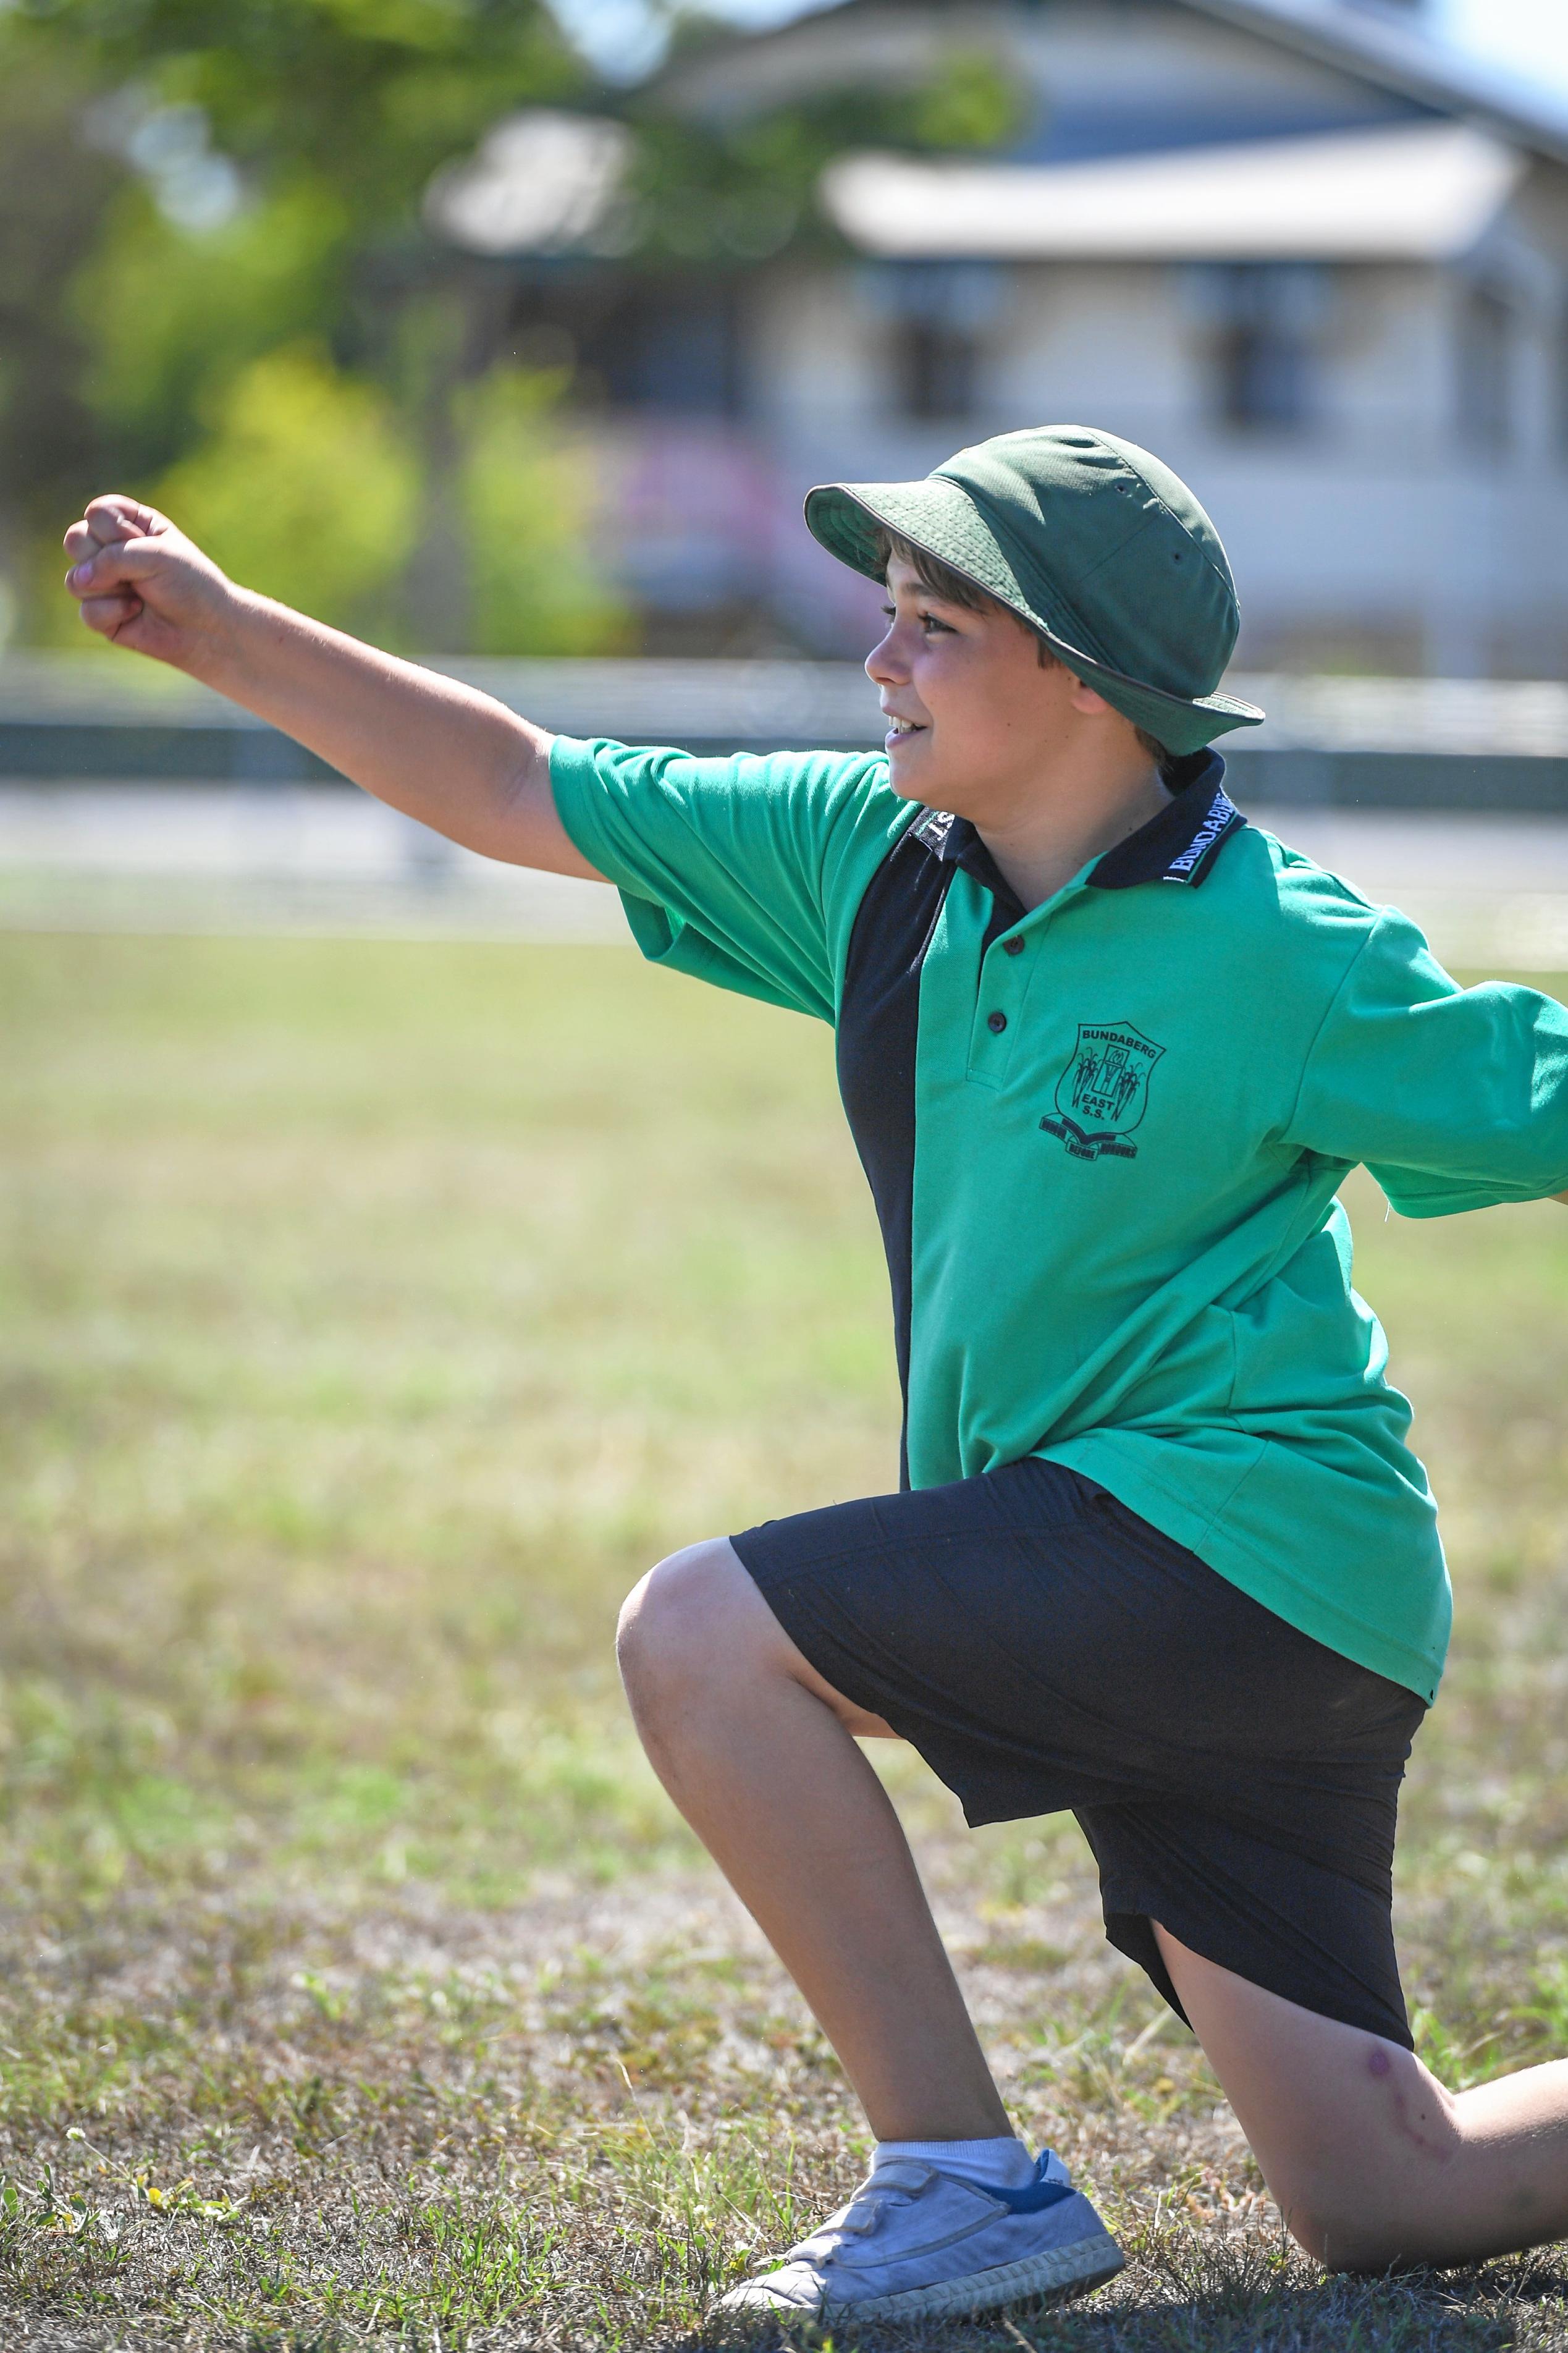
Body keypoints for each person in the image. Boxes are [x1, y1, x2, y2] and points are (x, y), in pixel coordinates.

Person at [63, 425, 1568, 2328]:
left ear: (1089, 680)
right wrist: (220, 632)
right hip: (1200, 1593)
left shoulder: (1284, 950)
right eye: (888, 616)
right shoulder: (872, 858)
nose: (880, 662)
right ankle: (1038, 2173)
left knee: (702, 1634)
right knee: (1383, 2193)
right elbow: (521, 783)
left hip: (1249, 1555)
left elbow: (1544, 1097)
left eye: (933, 625)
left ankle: (957, 2179)